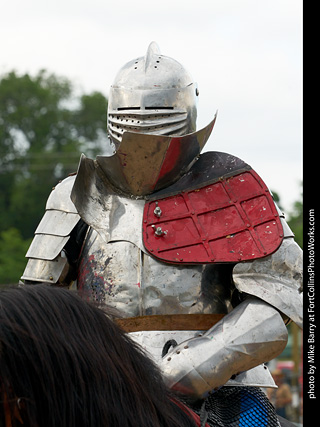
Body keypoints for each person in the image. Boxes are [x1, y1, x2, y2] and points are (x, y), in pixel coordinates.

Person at [21, 42, 303, 416]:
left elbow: (282, 295)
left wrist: (198, 364)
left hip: (223, 387)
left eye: (156, 118)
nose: (143, 135)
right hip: (101, 384)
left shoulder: (232, 190)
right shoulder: (74, 195)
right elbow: (35, 311)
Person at [0, 284, 201, 427]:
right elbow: (37, 291)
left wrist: (197, 365)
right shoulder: (72, 224)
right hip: (102, 350)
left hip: (202, 369)